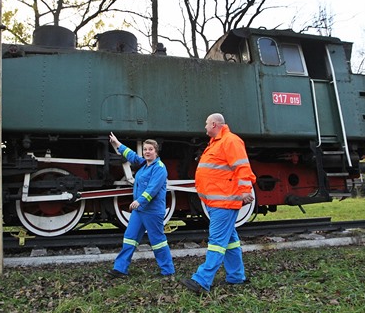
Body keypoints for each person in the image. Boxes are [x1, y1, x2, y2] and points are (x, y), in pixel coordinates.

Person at [180, 113, 256, 293]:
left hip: (224, 202)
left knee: (216, 242)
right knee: (230, 241)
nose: (205, 128)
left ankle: (201, 280)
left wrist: (245, 190)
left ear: (214, 124)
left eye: (206, 124)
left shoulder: (230, 141)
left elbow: (242, 167)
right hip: (217, 201)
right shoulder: (216, 142)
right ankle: (236, 277)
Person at [107, 132, 175, 278]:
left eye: (150, 149)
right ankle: (120, 269)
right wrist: (117, 144)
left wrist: (139, 201)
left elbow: (152, 189)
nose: (147, 152)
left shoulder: (160, 168)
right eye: (145, 149)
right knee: (129, 238)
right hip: (139, 211)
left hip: (152, 211)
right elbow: (131, 155)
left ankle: (168, 271)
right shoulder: (144, 164)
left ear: (156, 151)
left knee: (158, 242)